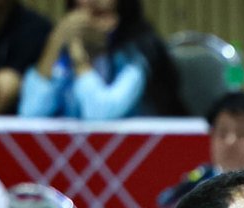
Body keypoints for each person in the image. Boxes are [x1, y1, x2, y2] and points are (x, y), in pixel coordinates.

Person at [18, 0, 184, 119]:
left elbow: (99, 114)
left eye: (101, 14)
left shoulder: (138, 50)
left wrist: (79, 58)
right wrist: (55, 42)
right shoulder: (63, 50)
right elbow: (30, 113)